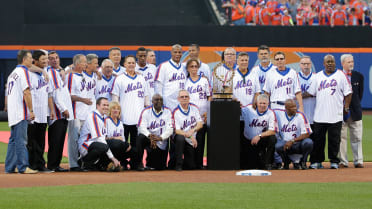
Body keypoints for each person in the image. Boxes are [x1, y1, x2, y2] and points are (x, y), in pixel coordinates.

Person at [307, 54, 352, 169]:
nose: (330, 63)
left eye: (332, 61)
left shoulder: (341, 75)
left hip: (335, 115)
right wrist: (297, 96)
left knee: (334, 141)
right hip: (319, 115)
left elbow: (348, 93)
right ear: (324, 63)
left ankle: (334, 161)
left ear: (335, 63)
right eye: (328, 62)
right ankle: (317, 161)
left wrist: (346, 107)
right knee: (318, 141)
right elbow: (310, 92)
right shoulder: (317, 76)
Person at [5, 50, 38, 174]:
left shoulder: (13, 73)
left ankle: (9, 167)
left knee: (13, 140)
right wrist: (31, 110)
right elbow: (26, 92)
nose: (32, 60)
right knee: (21, 140)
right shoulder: (24, 72)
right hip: (20, 111)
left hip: (13, 112)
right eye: (30, 58)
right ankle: (23, 167)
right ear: (24, 59)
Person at [111, 55, 150, 149]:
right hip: (123, 117)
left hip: (138, 117)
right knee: (122, 144)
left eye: (133, 63)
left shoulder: (141, 78)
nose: (131, 65)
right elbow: (115, 98)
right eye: (129, 63)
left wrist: (147, 111)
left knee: (137, 144)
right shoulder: (119, 78)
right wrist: (117, 113)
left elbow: (146, 96)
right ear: (124, 64)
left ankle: (136, 163)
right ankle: (123, 163)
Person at [27, 50, 55, 173]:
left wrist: (52, 110)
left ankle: (40, 165)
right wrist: (43, 70)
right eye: (43, 59)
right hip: (32, 113)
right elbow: (29, 66)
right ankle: (31, 165)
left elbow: (49, 93)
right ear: (35, 60)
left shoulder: (46, 73)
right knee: (31, 141)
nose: (46, 61)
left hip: (43, 112)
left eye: (46, 59)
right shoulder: (29, 72)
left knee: (41, 141)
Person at [46, 51, 72, 172]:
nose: (55, 60)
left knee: (59, 139)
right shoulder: (51, 73)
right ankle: (52, 164)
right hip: (57, 113)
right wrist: (63, 109)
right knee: (56, 140)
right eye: (51, 58)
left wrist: (62, 69)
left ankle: (56, 164)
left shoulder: (57, 71)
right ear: (48, 61)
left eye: (56, 58)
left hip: (60, 112)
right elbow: (56, 94)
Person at [78, 97, 120, 170]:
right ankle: (84, 162)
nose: (106, 107)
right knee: (104, 146)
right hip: (86, 145)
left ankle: (100, 164)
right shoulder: (93, 116)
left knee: (114, 145)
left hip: (94, 144)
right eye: (104, 105)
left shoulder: (103, 117)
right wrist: (112, 158)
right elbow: (99, 138)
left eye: (107, 105)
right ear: (97, 106)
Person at [66, 54, 92, 171]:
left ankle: (81, 162)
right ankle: (73, 164)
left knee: (83, 139)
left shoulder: (83, 76)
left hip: (84, 112)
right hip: (74, 112)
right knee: (73, 139)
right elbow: (69, 96)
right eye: (83, 62)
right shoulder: (71, 77)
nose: (86, 64)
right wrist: (83, 100)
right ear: (77, 64)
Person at [185, 59, 211, 169]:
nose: (194, 68)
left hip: (203, 114)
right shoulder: (185, 82)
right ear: (188, 68)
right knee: (193, 139)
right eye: (192, 66)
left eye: (196, 66)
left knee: (201, 139)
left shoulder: (204, 80)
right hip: (191, 115)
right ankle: (193, 163)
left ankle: (200, 164)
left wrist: (207, 112)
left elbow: (209, 96)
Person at [339, 54, 364, 168]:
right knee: (341, 138)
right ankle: (343, 161)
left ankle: (358, 160)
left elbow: (360, 94)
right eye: (349, 62)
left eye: (352, 61)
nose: (351, 63)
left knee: (357, 137)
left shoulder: (358, 76)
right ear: (342, 63)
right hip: (340, 112)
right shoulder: (337, 76)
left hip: (355, 111)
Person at [136, 94, 173, 170]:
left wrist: (160, 138)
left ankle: (150, 161)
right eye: (156, 100)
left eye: (161, 100)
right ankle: (139, 163)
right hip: (149, 140)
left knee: (159, 167)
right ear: (152, 101)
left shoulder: (168, 111)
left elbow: (170, 129)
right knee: (140, 137)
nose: (159, 101)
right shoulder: (146, 111)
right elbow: (141, 127)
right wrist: (150, 136)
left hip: (161, 142)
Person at [240, 94, 277, 170]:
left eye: (264, 103)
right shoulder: (248, 109)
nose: (262, 105)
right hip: (247, 141)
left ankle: (268, 163)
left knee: (272, 138)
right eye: (260, 103)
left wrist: (259, 136)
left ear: (268, 104)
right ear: (256, 103)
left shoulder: (270, 113)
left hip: (260, 141)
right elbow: (236, 111)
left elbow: (273, 131)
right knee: (249, 166)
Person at [274, 99, 313, 170]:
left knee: (308, 142)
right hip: (285, 145)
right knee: (278, 145)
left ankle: (303, 162)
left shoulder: (301, 115)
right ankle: (286, 163)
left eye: (295, 106)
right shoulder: (279, 114)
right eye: (292, 107)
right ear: (286, 108)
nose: (295, 108)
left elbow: (307, 133)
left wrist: (292, 141)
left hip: (298, 144)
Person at [171, 90, 203, 171]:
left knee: (191, 166)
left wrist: (192, 131)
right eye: (182, 97)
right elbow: (176, 130)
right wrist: (189, 135)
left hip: (191, 139)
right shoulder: (175, 111)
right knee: (180, 138)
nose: (184, 98)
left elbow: (200, 124)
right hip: (181, 138)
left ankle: (184, 162)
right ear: (178, 99)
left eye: (186, 96)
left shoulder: (194, 108)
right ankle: (178, 165)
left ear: (189, 98)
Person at [104, 101, 136, 170]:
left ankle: (127, 164)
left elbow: (123, 139)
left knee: (134, 150)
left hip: (119, 147)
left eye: (118, 109)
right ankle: (108, 163)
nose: (116, 110)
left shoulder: (120, 123)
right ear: (110, 110)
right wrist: (114, 138)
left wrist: (127, 145)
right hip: (109, 148)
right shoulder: (106, 121)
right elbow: (102, 139)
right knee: (116, 143)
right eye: (113, 108)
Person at [154, 44, 186, 111]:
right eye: (175, 52)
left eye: (179, 52)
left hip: (181, 102)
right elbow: (158, 85)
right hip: (168, 102)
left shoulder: (184, 67)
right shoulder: (163, 66)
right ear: (171, 52)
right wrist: (160, 101)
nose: (177, 54)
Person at [298, 56, 316, 138]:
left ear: (311, 64)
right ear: (300, 65)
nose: (306, 66)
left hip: (315, 114)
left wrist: (299, 95)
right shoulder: (295, 77)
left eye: (308, 64)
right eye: (303, 64)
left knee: (316, 142)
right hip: (300, 114)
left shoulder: (317, 77)